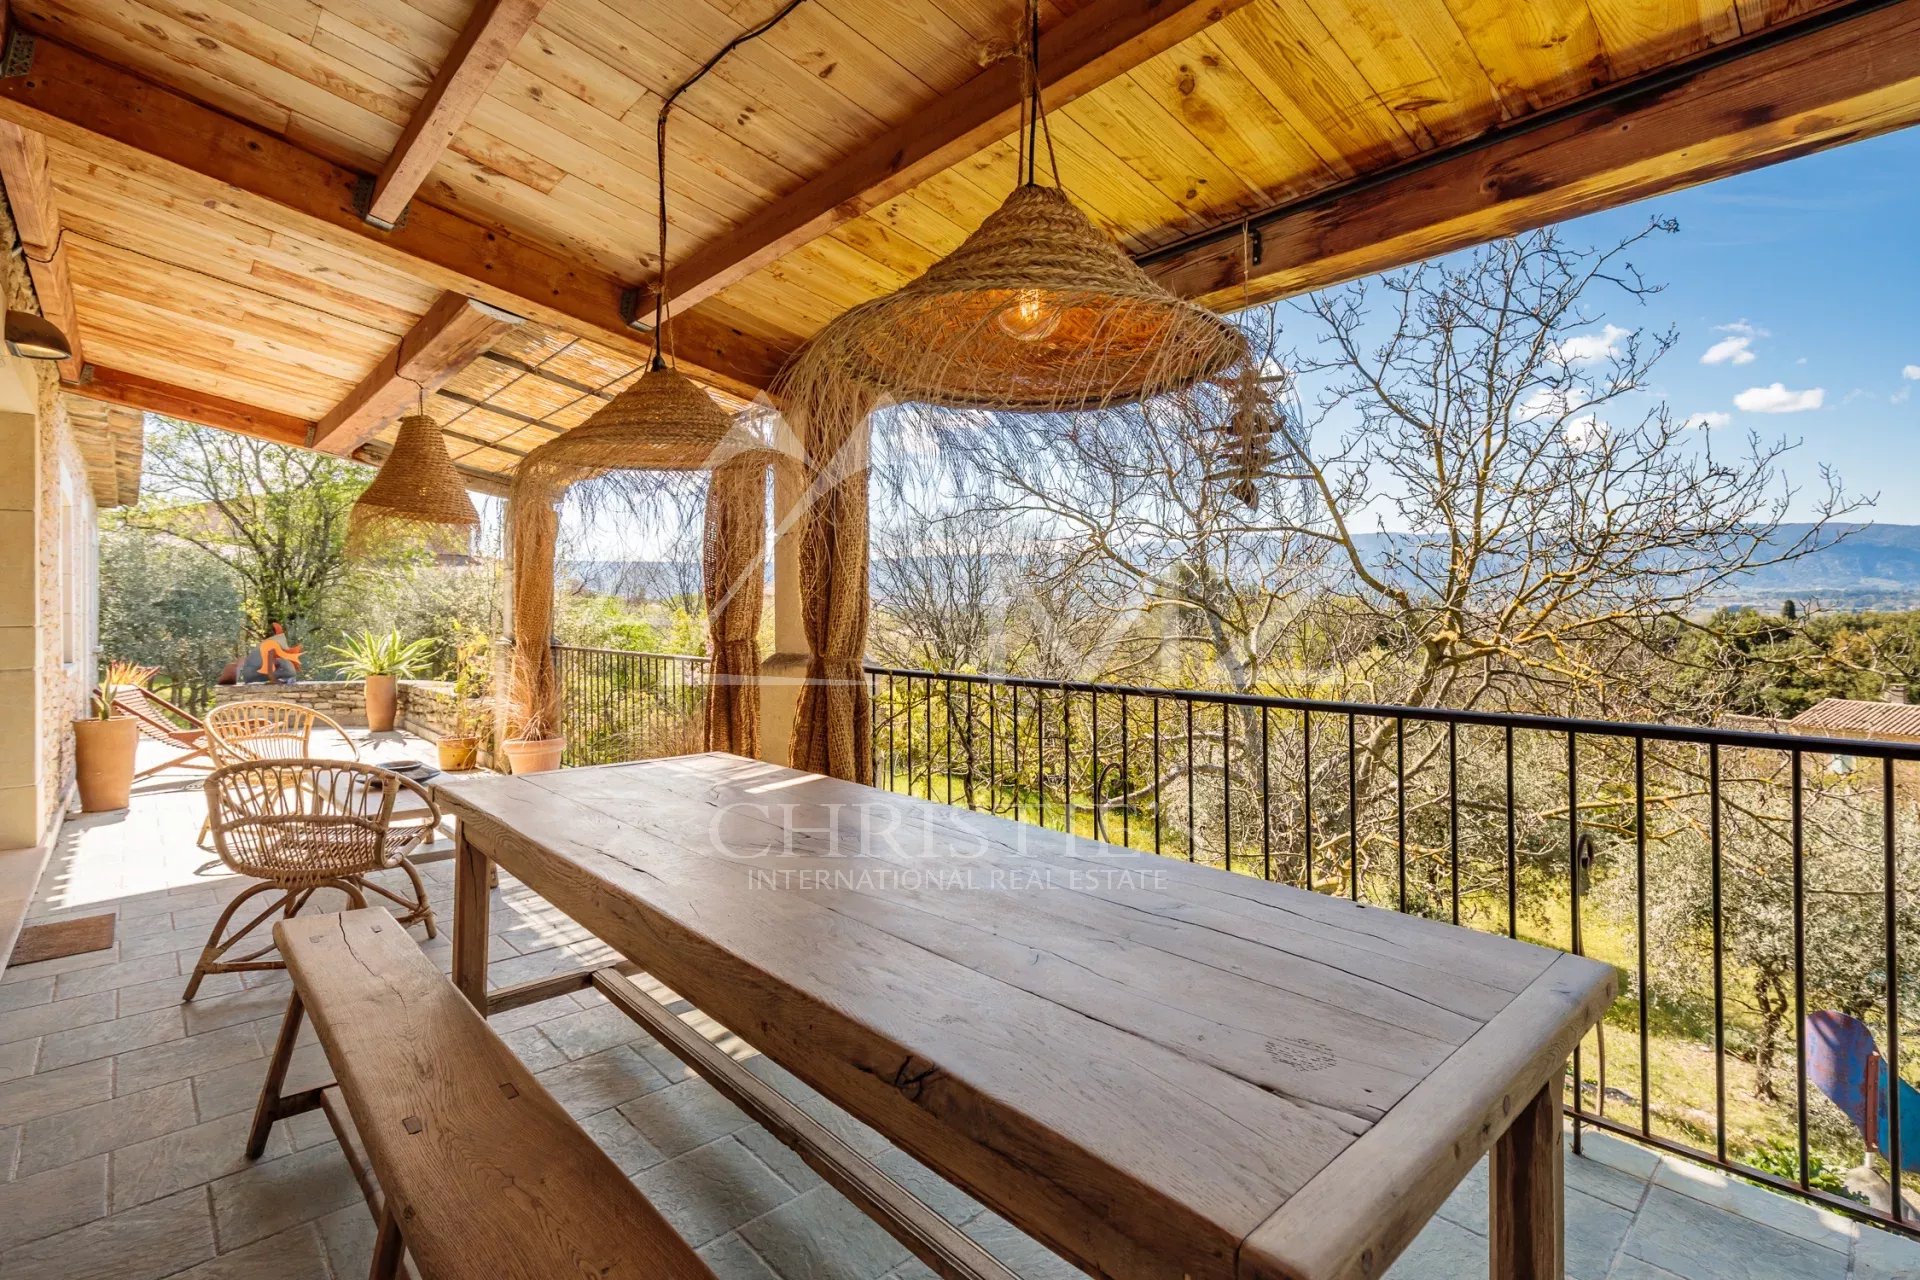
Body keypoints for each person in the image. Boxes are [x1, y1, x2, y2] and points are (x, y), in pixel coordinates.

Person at [237, 622, 302, 684]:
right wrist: (274, 680)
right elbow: (269, 660)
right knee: (290, 671)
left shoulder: (273, 647)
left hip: (251, 674)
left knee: (289, 670)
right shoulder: (273, 646)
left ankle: (284, 679)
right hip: (252, 674)